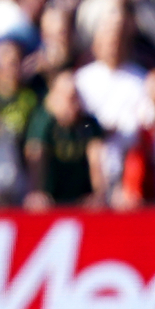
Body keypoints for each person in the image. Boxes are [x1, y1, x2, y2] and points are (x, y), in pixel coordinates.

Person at [24, 71, 108, 208]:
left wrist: (99, 194)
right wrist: (36, 193)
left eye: (76, 96)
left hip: (82, 198)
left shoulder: (88, 123)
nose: (74, 103)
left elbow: (96, 161)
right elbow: (36, 159)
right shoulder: (43, 121)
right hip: (51, 198)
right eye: (69, 98)